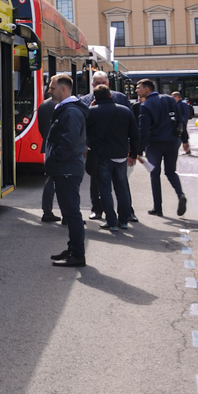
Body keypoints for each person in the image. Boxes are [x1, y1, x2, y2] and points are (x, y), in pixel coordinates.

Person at [44, 74, 88, 266]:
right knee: (70, 212)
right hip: (67, 168)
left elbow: (68, 143)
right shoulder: (68, 110)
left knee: (72, 213)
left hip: (67, 169)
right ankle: (73, 249)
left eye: (52, 87)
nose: (48, 90)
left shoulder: (70, 112)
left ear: (63, 89)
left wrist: (53, 160)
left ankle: (77, 255)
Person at [85, 85, 140, 229]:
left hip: (101, 155)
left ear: (95, 98)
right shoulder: (125, 110)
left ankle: (111, 221)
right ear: (110, 95)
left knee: (104, 189)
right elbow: (134, 135)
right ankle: (124, 220)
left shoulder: (90, 112)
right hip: (121, 155)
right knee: (122, 188)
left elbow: (85, 133)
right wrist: (133, 154)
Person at [137, 79, 188, 217]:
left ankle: (158, 207)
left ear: (147, 89)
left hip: (155, 144)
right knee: (171, 172)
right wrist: (184, 139)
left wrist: (139, 150)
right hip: (172, 141)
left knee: (154, 174)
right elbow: (180, 120)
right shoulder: (169, 99)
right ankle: (180, 194)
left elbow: (143, 130)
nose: (136, 90)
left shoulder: (146, 105)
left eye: (139, 88)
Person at [38, 94, 60, 222]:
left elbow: (41, 128)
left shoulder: (43, 105)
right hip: (61, 146)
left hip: (48, 145)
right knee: (65, 180)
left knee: (51, 179)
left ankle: (47, 211)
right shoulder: (66, 105)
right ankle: (68, 215)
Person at [172, 91, 193, 156]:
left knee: (184, 137)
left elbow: (186, 114)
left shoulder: (183, 104)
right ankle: (186, 150)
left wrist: (183, 121)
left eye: (173, 97)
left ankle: (187, 150)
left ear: (177, 97)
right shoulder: (174, 103)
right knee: (181, 137)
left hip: (181, 123)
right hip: (176, 122)